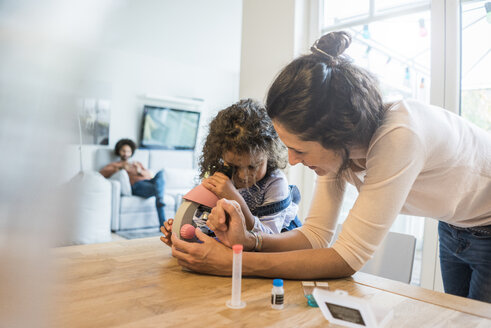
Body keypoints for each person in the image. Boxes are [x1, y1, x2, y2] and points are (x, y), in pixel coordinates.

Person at [166, 32, 491, 303]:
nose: (291, 160)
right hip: (453, 227)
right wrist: (250, 243)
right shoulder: (344, 149)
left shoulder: (400, 137)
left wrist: (235, 262)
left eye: (299, 149)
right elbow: (316, 236)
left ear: (337, 139)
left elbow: (345, 258)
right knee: (463, 316)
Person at [160, 99, 301, 245]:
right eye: (234, 166)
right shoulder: (221, 177)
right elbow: (207, 226)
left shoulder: (275, 182)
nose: (243, 176)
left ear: (270, 154)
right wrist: (182, 234)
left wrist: (235, 200)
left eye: (253, 166)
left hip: (279, 248)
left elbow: (269, 239)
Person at [99, 138, 166, 227]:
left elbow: (149, 176)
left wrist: (139, 171)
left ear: (131, 153)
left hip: (148, 181)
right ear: (119, 151)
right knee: (158, 190)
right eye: (123, 151)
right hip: (136, 186)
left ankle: (159, 200)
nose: (126, 154)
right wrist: (121, 167)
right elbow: (102, 173)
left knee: (161, 173)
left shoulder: (137, 163)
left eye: (128, 151)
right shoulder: (116, 164)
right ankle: (160, 203)